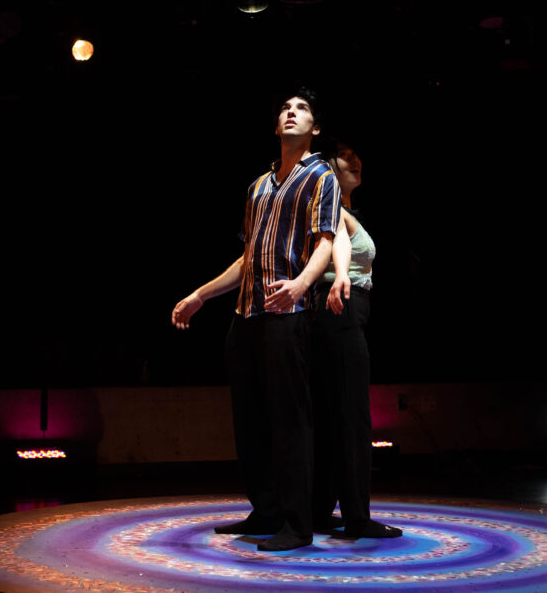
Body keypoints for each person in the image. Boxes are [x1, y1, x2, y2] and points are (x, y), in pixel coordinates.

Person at [171, 88, 340, 551]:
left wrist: (301, 285)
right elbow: (247, 257)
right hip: (246, 314)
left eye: (302, 108)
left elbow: (325, 241)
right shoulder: (258, 186)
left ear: (315, 127)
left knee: (290, 421)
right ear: (275, 125)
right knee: (250, 420)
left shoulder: (321, 176)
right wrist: (200, 295)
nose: (291, 112)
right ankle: (264, 509)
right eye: (285, 108)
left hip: (287, 311)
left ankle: (297, 522)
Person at [312, 138, 402, 539]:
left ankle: (322, 510)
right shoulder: (331, 209)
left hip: (346, 309)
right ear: (330, 167)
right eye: (347, 157)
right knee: (350, 416)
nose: (356, 161)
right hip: (340, 305)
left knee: (335, 416)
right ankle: (356, 517)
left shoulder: (345, 211)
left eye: (357, 156)